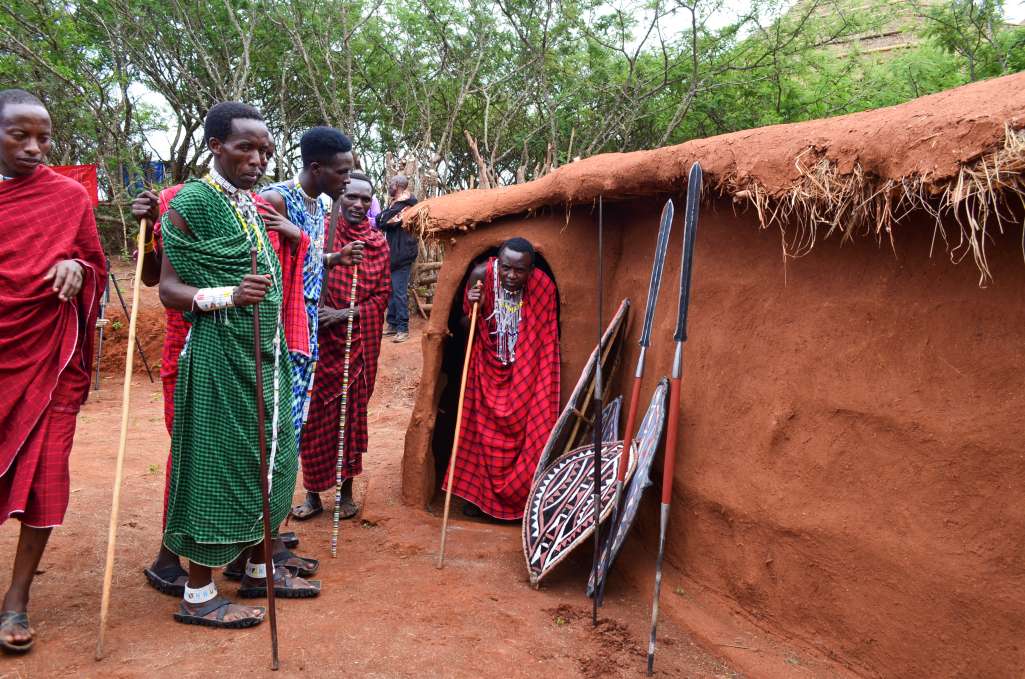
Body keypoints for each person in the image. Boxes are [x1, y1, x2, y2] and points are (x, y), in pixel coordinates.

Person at [158, 101, 320, 628]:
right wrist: (228, 294)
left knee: (273, 461)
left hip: (265, 355)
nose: (257, 158)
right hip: (217, 357)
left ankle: (256, 566)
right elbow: (168, 289)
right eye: (245, 147)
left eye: (265, 150)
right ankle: (199, 594)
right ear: (215, 147)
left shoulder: (252, 205)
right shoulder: (193, 201)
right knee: (219, 467)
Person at [0, 89, 107, 652]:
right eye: (20, 135)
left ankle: (16, 599)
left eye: (43, 136)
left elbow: (95, 262)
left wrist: (76, 267)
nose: (36, 147)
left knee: (45, 478)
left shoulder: (67, 197)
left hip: (51, 357)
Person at [292, 172, 390, 521]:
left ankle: (345, 493)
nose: (359, 205)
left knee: (350, 417)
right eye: (352, 197)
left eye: (366, 199)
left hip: (356, 347)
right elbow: (298, 279)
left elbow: (382, 298)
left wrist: (346, 313)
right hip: (318, 347)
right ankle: (313, 494)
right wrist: (318, 312)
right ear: (338, 197)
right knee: (314, 420)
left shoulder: (377, 243)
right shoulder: (320, 237)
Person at [444, 238, 560, 520]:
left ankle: (519, 502)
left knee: (531, 430)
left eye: (519, 271)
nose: (511, 276)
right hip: (486, 367)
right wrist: (475, 308)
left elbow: (547, 340)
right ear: (498, 262)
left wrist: (535, 380)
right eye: (506, 268)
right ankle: (481, 500)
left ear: (531, 270)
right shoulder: (481, 275)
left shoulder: (544, 287)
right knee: (479, 435)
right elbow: (461, 329)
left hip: (527, 371)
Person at [259, 126, 361, 440]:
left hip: (307, 324)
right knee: (273, 419)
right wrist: (299, 238)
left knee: (294, 421)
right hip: (278, 330)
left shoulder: (319, 204)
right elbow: (264, 269)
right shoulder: (275, 200)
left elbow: (305, 256)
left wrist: (334, 258)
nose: (347, 180)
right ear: (316, 168)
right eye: (342, 172)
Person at [377, 174, 419, 343]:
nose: (389, 186)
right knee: (392, 292)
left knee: (400, 293)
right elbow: (382, 219)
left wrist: (384, 217)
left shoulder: (407, 206)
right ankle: (393, 324)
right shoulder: (396, 204)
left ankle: (403, 328)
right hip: (394, 254)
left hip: (403, 255)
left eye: (391, 183)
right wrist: (384, 217)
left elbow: (384, 220)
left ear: (398, 185)